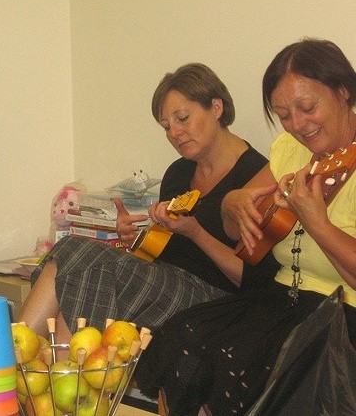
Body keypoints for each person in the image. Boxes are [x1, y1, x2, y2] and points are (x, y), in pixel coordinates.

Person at [134, 38, 356, 415]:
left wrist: (318, 223)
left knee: (245, 367)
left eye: (307, 107)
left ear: (343, 92)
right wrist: (231, 202)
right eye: (284, 114)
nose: (297, 124)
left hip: (342, 315)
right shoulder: (289, 149)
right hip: (282, 298)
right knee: (183, 336)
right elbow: (239, 232)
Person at [17, 63, 278, 344]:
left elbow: (253, 282)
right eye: (167, 126)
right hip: (166, 285)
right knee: (71, 252)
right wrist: (134, 239)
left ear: (216, 108)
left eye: (183, 118)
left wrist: (196, 233)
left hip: (216, 300)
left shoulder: (257, 177)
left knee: (79, 258)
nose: (174, 133)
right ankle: (56, 372)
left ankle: (13, 367)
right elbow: (165, 250)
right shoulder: (179, 172)